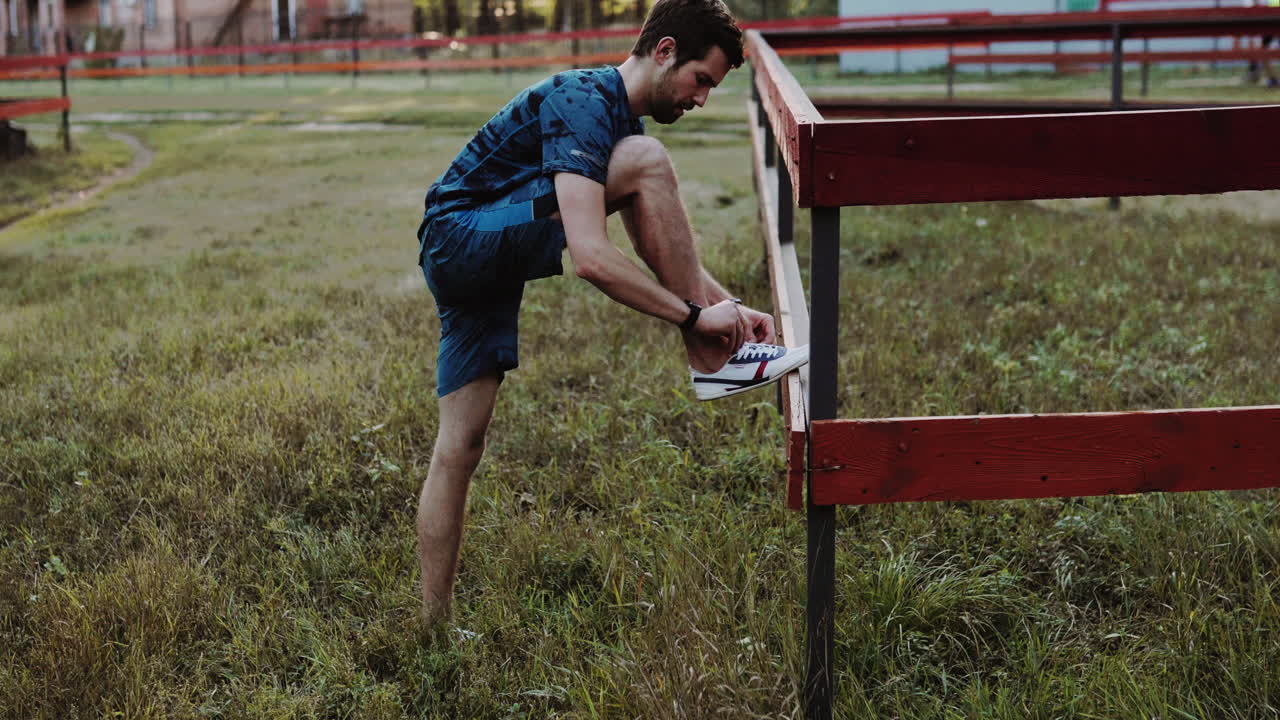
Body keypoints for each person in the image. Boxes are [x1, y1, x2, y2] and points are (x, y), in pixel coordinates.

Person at [413, 0, 810, 621]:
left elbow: (655, 249)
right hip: (462, 236)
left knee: (460, 444)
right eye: (701, 80)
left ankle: (430, 623)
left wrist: (724, 304)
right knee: (646, 165)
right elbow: (594, 258)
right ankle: (710, 360)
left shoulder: (622, 130)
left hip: (467, 253)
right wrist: (693, 319)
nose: (701, 99)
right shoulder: (585, 101)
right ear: (664, 51)